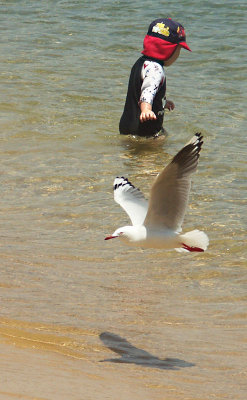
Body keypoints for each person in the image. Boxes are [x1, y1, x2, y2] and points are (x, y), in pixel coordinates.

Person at [119, 18, 191, 138]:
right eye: (178, 50)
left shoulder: (141, 63)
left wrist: (161, 103)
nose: (178, 55)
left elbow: (142, 90)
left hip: (127, 124)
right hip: (144, 130)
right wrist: (146, 109)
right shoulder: (156, 70)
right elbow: (147, 93)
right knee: (161, 141)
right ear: (168, 49)